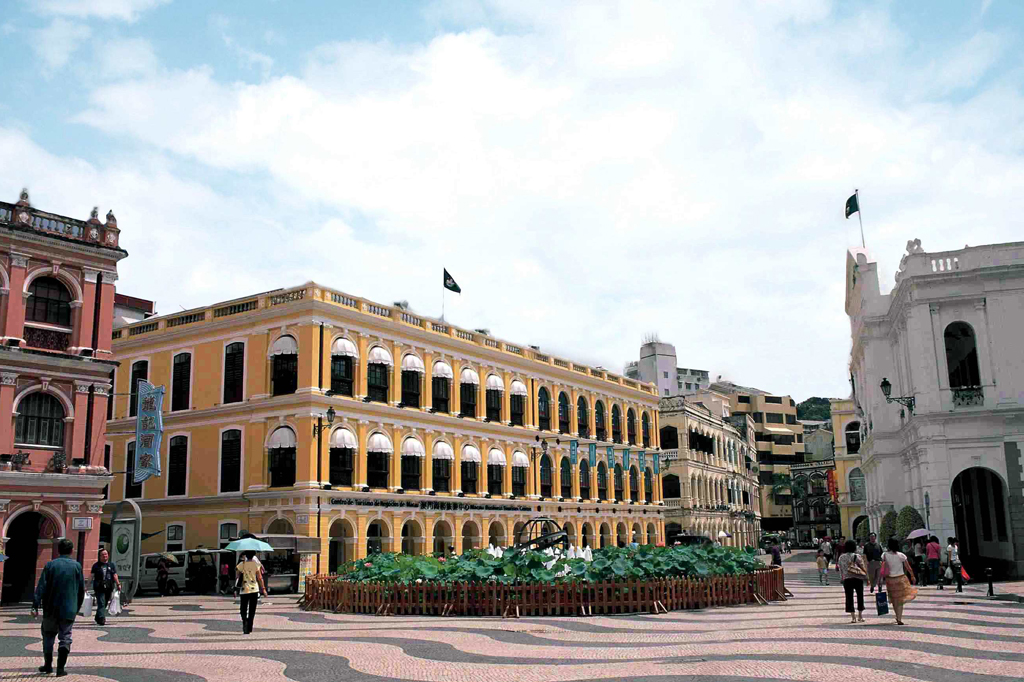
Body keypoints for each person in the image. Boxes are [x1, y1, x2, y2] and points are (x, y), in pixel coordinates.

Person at [32, 538, 85, 677]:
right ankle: (60, 669)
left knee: (48, 636)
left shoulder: (50, 565)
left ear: (58, 550)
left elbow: (41, 587)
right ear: (71, 550)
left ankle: (48, 665)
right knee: (65, 637)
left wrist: (35, 605)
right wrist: (76, 607)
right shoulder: (76, 566)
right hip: (69, 608)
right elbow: (81, 590)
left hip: (51, 608)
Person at [882, 537, 917, 625]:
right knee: (900, 600)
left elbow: (881, 567)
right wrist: (912, 576)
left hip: (890, 580)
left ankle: (897, 616)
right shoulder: (901, 555)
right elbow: (908, 567)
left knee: (894, 599)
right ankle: (899, 618)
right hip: (901, 579)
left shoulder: (884, 555)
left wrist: (879, 580)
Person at [236, 550, 268, 634]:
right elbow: (260, 578)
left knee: (243, 609)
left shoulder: (241, 565)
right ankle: (249, 628)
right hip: (254, 590)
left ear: (246, 555)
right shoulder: (256, 565)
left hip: (244, 590)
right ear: (254, 555)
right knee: (252, 610)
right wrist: (263, 589)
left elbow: (237, 577)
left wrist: (235, 589)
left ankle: (245, 622)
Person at [838, 540, 867, 623]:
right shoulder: (857, 556)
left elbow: (841, 569)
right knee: (860, 596)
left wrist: (841, 578)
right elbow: (862, 566)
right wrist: (866, 576)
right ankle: (860, 616)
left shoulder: (841, 557)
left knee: (849, 597)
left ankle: (853, 617)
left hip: (847, 579)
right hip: (858, 578)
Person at [90, 548, 121, 626]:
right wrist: (86, 586)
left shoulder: (111, 565)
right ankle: (101, 619)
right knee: (101, 602)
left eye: (106, 554)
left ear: (108, 555)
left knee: (105, 603)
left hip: (109, 587)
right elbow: (91, 576)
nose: (104, 556)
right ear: (99, 556)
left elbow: (115, 575)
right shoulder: (96, 565)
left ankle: (97, 617)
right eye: (102, 555)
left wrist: (118, 584)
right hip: (99, 587)